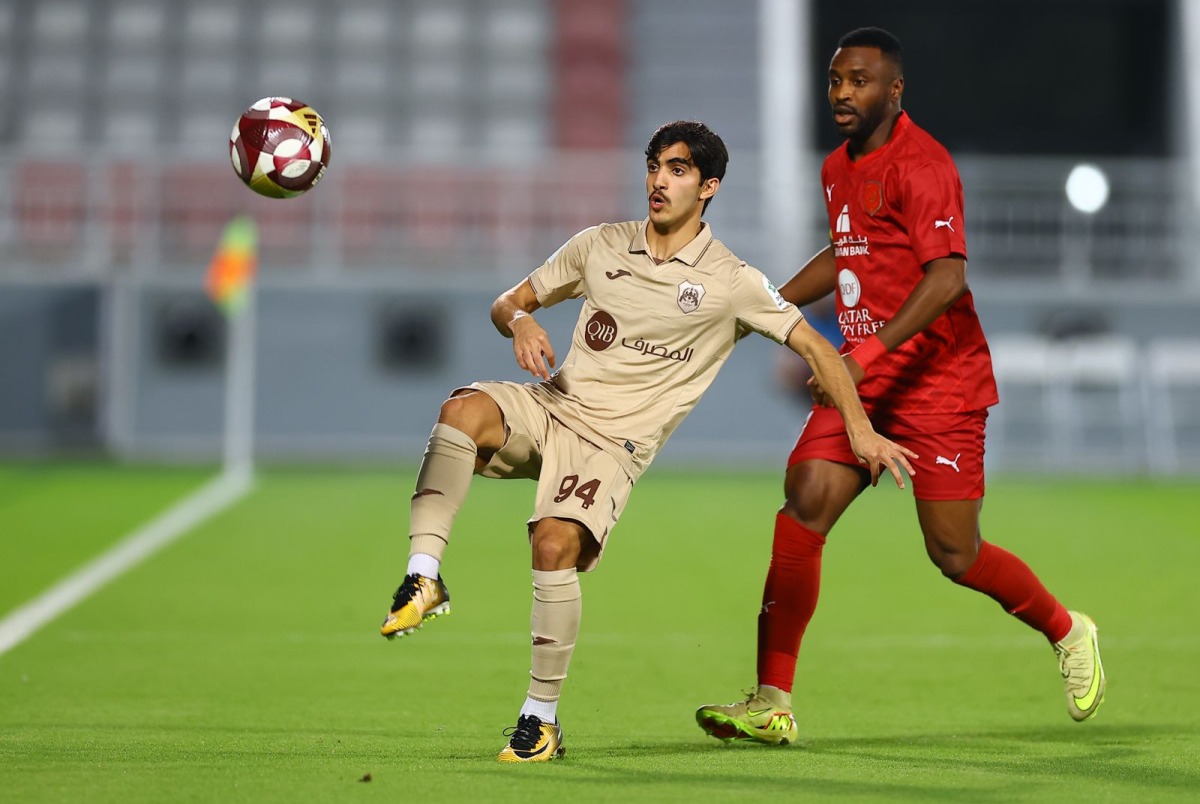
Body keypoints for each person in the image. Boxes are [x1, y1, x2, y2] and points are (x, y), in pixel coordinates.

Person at [379, 120, 917, 762]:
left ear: (709, 187)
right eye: (655, 165)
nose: (660, 180)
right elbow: (507, 301)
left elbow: (817, 348)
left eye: (679, 169)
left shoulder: (731, 281)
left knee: (553, 544)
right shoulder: (599, 245)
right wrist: (521, 320)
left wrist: (860, 430)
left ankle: (539, 718)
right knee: (462, 409)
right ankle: (423, 576)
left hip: (612, 447)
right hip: (554, 405)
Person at [695, 28, 1105, 746]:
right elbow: (850, 249)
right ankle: (772, 700)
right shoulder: (836, 168)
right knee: (805, 503)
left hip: (938, 381)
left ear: (894, 89)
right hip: (865, 377)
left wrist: (862, 356)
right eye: (834, 81)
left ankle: (1068, 629)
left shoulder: (924, 164)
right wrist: (771, 305)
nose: (843, 95)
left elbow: (947, 277)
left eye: (859, 82)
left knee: (955, 554)